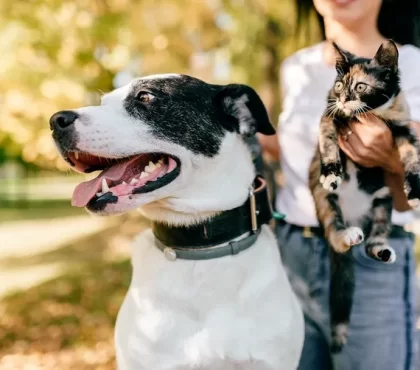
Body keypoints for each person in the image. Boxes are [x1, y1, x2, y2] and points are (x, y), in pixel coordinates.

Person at [258, 1, 420, 369]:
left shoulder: (412, 65)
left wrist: (389, 158)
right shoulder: (295, 67)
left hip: (370, 257)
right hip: (289, 256)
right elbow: (293, 153)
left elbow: (408, 198)